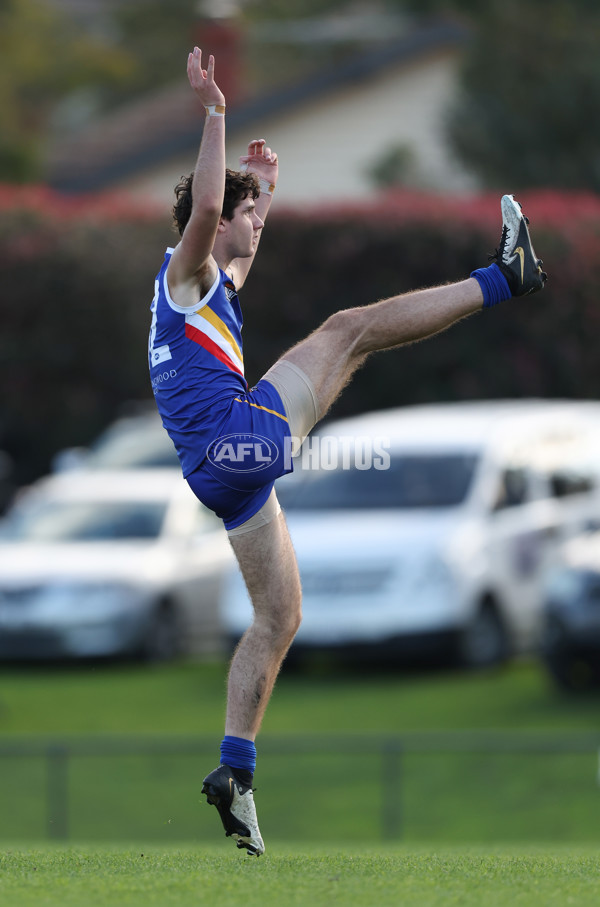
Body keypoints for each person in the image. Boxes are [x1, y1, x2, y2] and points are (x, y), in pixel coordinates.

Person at [148, 48, 547, 856]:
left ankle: (236, 773)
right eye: (246, 211)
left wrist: (269, 190)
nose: (254, 223)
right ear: (214, 215)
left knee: (280, 614)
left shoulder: (212, 288)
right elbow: (205, 216)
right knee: (348, 328)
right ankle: (506, 277)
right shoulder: (184, 274)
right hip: (239, 439)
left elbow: (237, 240)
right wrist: (216, 113)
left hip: (218, 476)